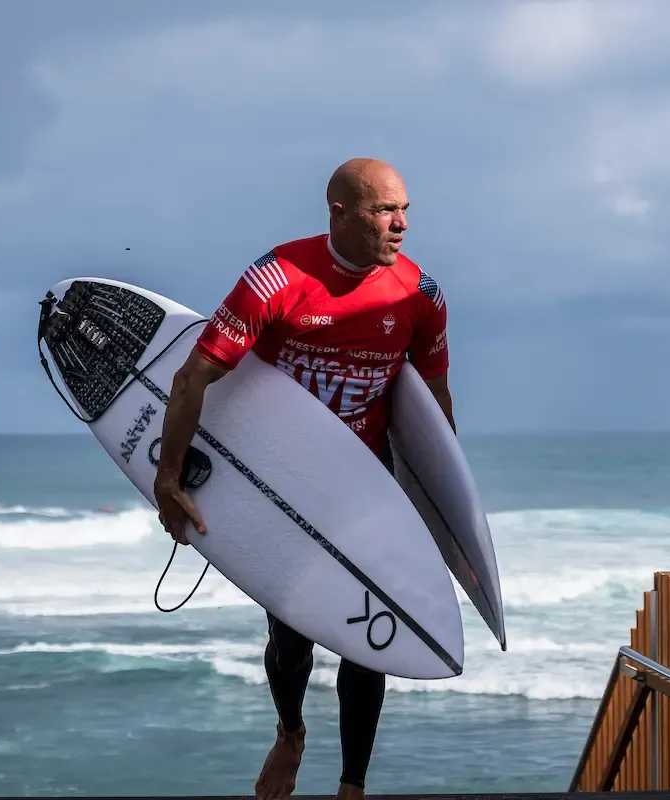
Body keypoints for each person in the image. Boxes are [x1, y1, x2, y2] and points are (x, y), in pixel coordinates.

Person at [152, 158, 455, 800]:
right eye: (382, 211)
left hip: (364, 488)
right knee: (291, 637)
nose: (399, 225)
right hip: (283, 488)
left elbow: (434, 403)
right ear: (338, 213)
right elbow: (192, 377)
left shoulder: (418, 296)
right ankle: (290, 731)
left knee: (367, 639)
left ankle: (352, 786)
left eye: (404, 210)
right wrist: (168, 477)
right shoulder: (278, 279)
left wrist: (443, 509)